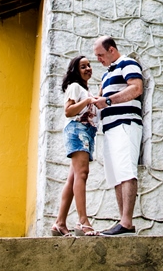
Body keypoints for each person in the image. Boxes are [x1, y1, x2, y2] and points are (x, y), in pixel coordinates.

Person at [90, 36, 143, 236]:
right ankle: (123, 223)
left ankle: (127, 222)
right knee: (115, 176)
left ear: (112, 50)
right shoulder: (106, 75)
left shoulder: (127, 63)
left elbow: (136, 88)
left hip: (126, 125)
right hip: (110, 129)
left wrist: (108, 101)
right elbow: (100, 99)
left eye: (101, 55)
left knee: (127, 171)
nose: (99, 59)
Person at [51, 55, 98, 237]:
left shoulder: (85, 90)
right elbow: (68, 111)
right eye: (83, 66)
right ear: (75, 71)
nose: (88, 68)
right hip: (78, 130)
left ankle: (60, 223)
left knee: (73, 178)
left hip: (85, 132)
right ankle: (83, 221)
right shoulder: (75, 87)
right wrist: (87, 101)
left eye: (89, 65)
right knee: (82, 174)